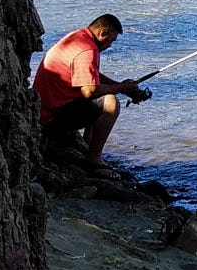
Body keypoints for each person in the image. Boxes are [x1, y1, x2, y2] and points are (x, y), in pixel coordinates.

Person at [33, 13, 150, 163]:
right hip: (50, 118)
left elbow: (91, 76)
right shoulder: (87, 50)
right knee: (109, 102)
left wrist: (122, 87)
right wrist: (120, 88)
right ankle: (93, 158)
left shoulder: (78, 37)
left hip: (45, 109)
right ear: (103, 32)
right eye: (111, 40)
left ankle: (86, 146)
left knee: (104, 95)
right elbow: (89, 91)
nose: (110, 45)